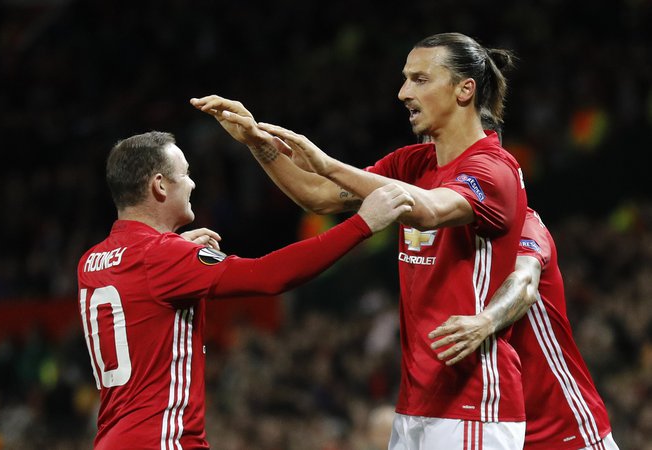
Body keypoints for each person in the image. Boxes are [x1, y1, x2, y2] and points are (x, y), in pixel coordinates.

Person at [192, 32, 528, 449]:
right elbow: (318, 196)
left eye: (420, 80)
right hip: (415, 404)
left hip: (475, 403)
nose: (403, 92)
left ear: (465, 89)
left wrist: (328, 163)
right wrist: (258, 145)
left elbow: (427, 208)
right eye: (405, 79)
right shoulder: (412, 161)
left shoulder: (493, 169)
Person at [77, 131, 414, 449]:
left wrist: (176, 251)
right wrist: (362, 223)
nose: (193, 183)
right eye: (186, 173)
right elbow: (268, 275)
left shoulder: (92, 262)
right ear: (160, 186)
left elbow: (143, 290)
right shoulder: (163, 257)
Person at [428, 207, 620, 449]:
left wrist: (485, 321)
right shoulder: (455, 246)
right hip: (501, 429)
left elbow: (525, 281)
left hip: (564, 430)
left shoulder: (523, 225)